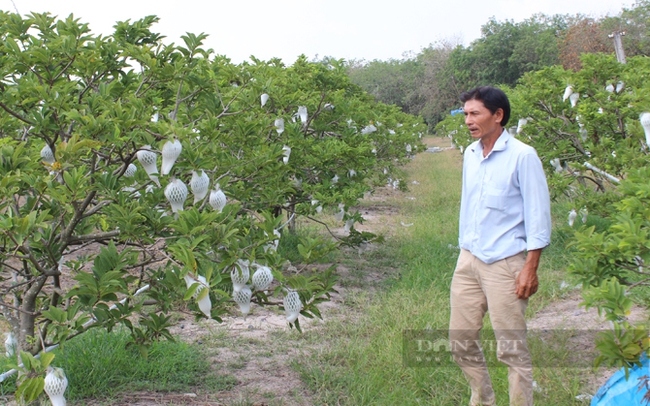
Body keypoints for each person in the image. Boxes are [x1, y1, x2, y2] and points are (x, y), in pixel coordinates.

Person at [449, 86, 551, 406]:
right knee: (460, 340)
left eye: (475, 113)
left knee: (511, 348)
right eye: (466, 114)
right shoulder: (470, 154)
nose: (468, 120)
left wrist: (529, 268)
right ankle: (483, 400)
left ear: (498, 115)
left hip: (506, 263)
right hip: (469, 259)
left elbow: (538, 215)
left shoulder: (523, 156)